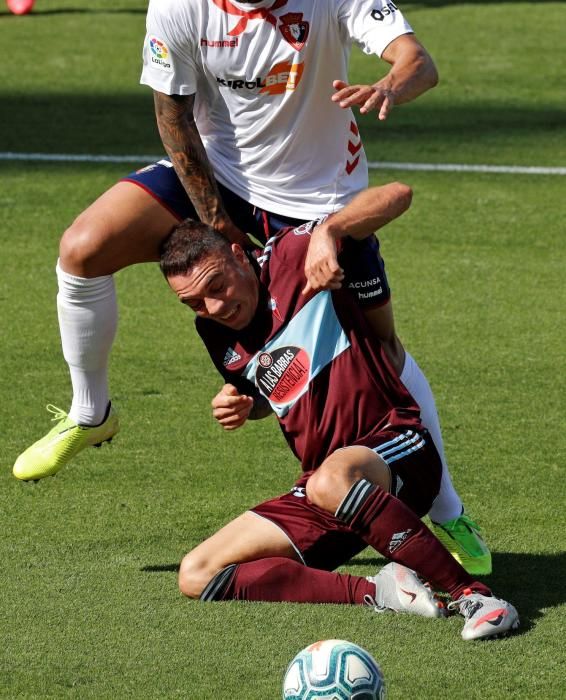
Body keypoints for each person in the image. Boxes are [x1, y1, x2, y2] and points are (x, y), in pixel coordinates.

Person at [12, 0, 490, 576]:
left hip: (317, 199)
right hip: (222, 176)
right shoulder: (178, 6)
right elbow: (173, 113)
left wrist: (390, 83)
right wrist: (215, 221)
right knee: (82, 248)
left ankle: (449, 510)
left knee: (376, 351)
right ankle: (92, 413)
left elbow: (418, 61)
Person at [158, 183, 519, 642]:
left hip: (398, 446)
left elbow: (399, 194)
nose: (214, 308)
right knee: (197, 572)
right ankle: (380, 590)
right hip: (329, 491)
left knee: (332, 479)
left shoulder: (292, 256)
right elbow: (273, 395)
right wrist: (244, 405)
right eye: (193, 303)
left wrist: (331, 230)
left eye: (216, 286)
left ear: (236, 254)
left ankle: (475, 596)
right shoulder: (214, 330)